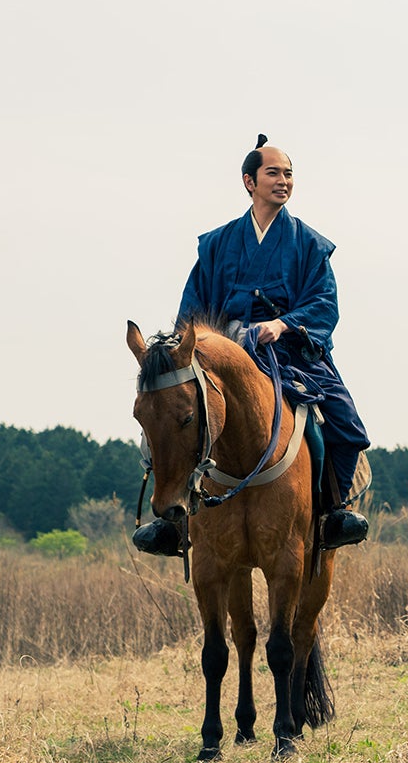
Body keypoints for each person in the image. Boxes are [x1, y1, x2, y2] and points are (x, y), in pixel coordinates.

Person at [132, 137, 371, 556]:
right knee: (168, 416)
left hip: (293, 355)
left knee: (345, 424)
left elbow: (323, 303)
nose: (283, 181)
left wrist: (283, 324)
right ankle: (173, 521)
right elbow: (192, 311)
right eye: (273, 173)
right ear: (249, 181)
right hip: (222, 357)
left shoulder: (310, 245)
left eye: (289, 174)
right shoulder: (218, 245)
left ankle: (332, 513)